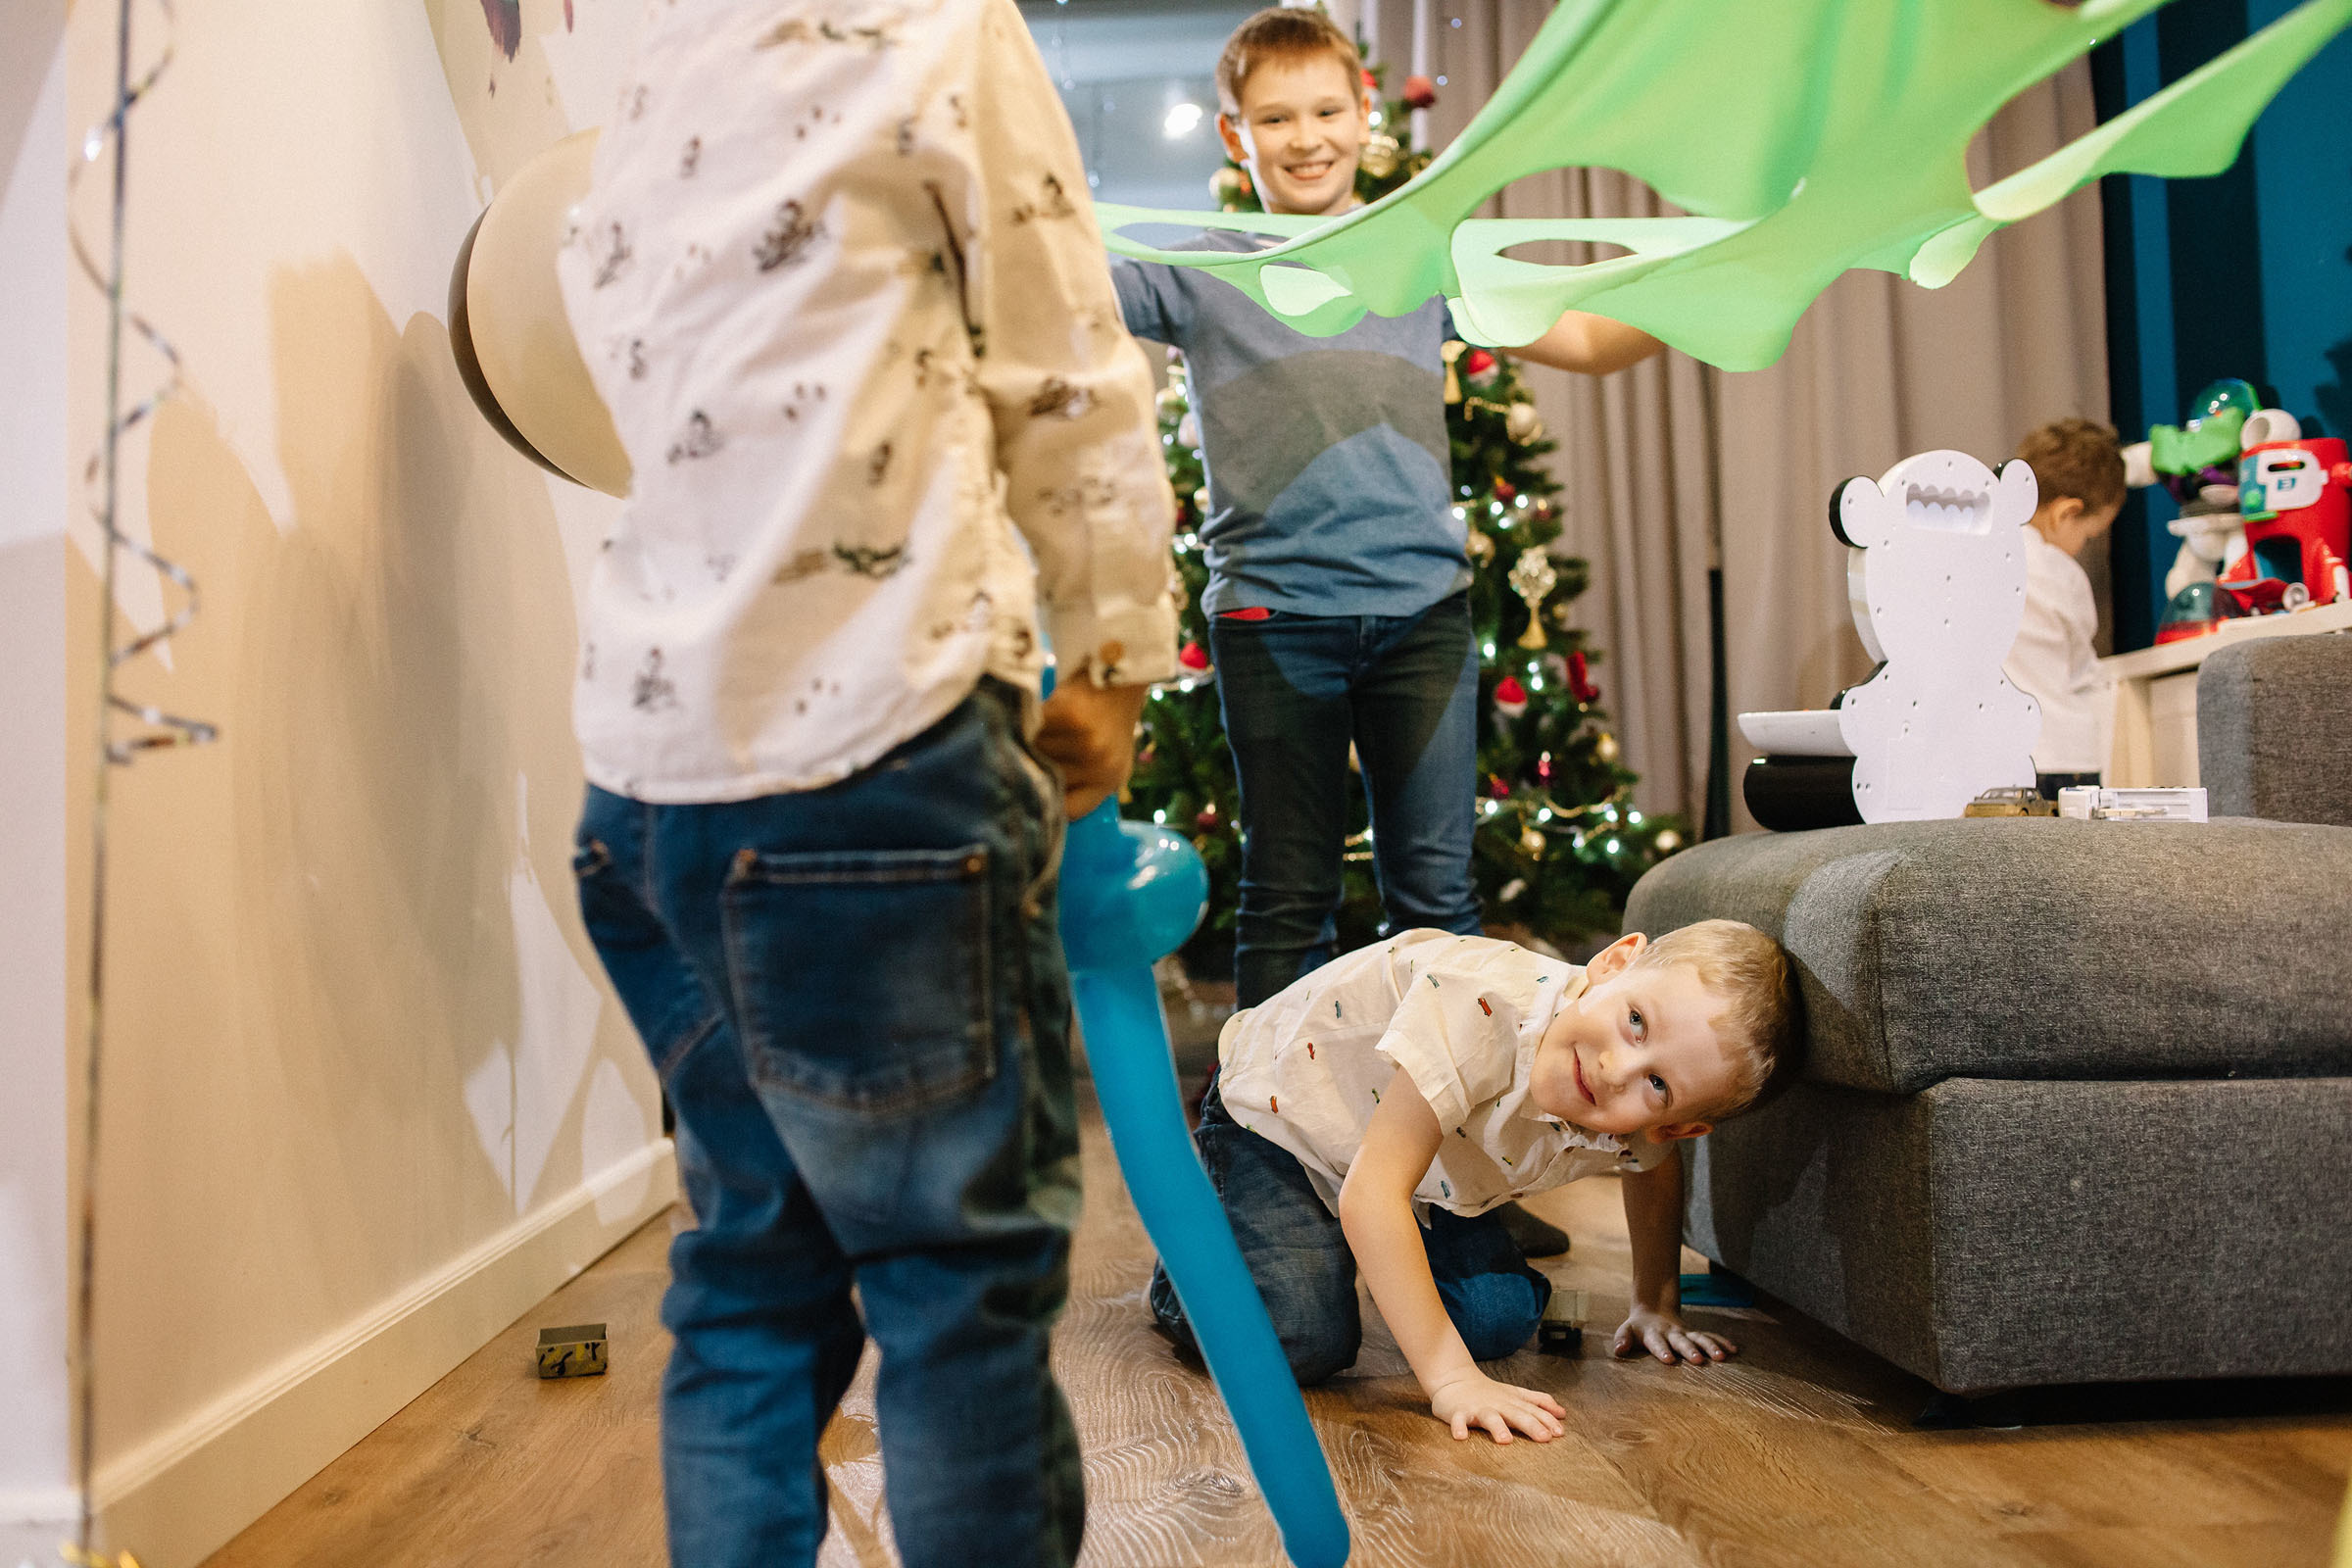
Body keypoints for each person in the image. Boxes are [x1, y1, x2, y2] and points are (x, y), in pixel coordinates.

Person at [554, 4, 1177, 1565]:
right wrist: (1110, 656)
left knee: (750, 1288)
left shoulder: (659, 59)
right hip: (879, 765)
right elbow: (1065, 367)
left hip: (648, 794)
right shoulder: (937, 27)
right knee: (954, 1294)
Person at [1110, 8, 1665, 1013]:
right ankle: (1270, 1140)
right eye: (1275, 118)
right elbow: (1055, 291)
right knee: (1287, 897)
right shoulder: (1197, 266)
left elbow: (1582, 337)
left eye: (1327, 109)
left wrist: (1719, 297)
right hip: (1272, 620)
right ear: (1236, 136)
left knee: (1437, 900)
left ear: (1366, 113)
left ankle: (1438, 1139)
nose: (1307, 136)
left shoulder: (1417, 255)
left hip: (1422, 621)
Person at [1150, 919, 1801, 1445]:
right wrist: (1450, 1382)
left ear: (1677, 1127)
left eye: (1657, 1085)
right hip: (1284, 1115)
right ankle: (1189, 1265)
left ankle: (1354, 1250)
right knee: (1299, 1334)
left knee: (1496, 1322)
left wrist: (1654, 1303)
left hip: (1422, 1168)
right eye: (1636, 1022)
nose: (1613, 1068)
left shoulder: (1641, 1128)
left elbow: (1653, 1175)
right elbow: (1373, 1193)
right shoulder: (1479, 1007)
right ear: (1615, 961)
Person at [2003, 417, 2127, 798]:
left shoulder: (1982, 556)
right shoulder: (2061, 572)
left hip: (2001, 757)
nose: (2083, 546)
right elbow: (2080, 668)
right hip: (2064, 757)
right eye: (2089, 535)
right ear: (2065, 513)